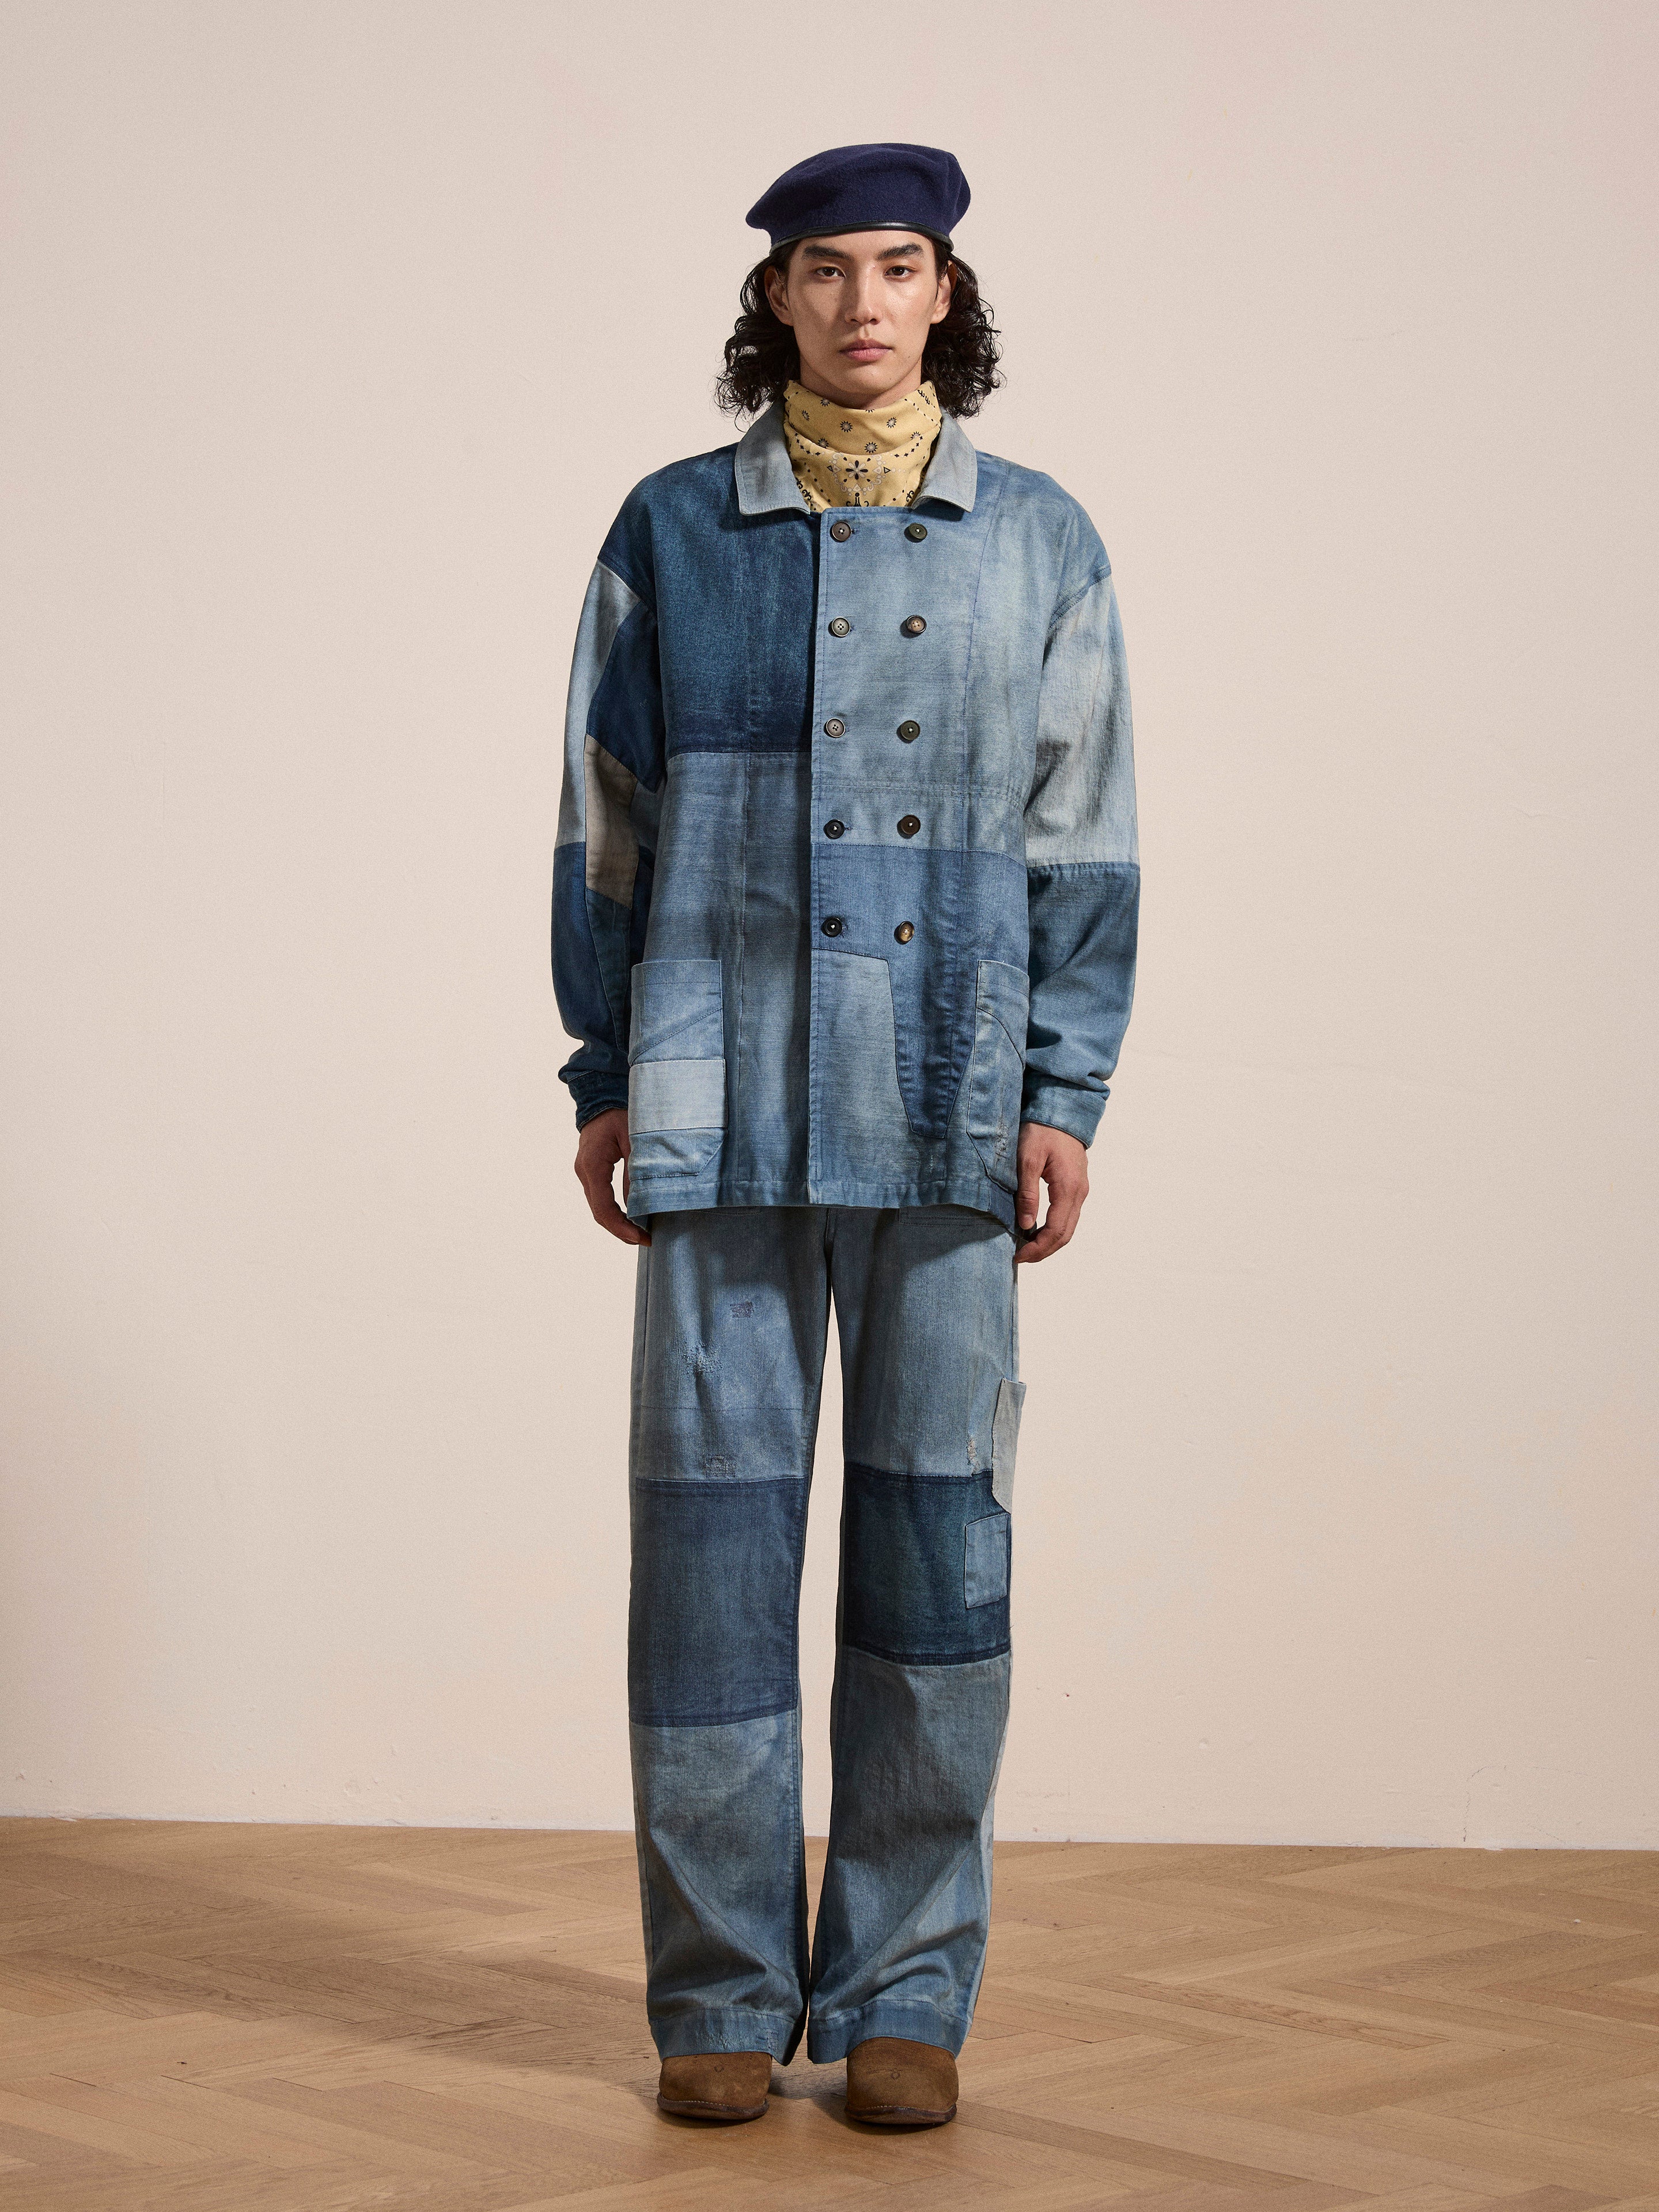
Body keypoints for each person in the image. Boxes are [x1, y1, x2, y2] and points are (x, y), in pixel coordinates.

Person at [552, 142, 1138, 2128]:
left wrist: (1064, 1093)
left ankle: (905, 1992)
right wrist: (601, 1071)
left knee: (935, 1558)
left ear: (949, 296)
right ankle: (716, 1999)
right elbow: (606, 817)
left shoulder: (1040, 541)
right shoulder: (671, 530)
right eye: (828, 270)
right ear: (778, 301)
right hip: (720, 1100)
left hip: (953, 1109)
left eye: (902, 267)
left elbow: (1084, 831)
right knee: (708, 1574)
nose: (867, 302)